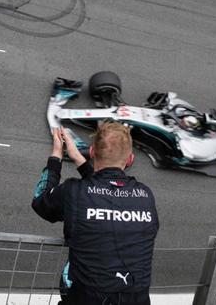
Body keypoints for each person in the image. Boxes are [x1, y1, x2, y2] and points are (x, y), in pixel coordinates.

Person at [32, 123, 159, 305]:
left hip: (87, 298)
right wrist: (77, 158)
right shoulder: (145, 195)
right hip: (135, 298)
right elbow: (106, 191)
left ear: (92, 152)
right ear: (130, 159)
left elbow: (40, 201)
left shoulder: (74, 191)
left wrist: (56, 156)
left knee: (71, 272)